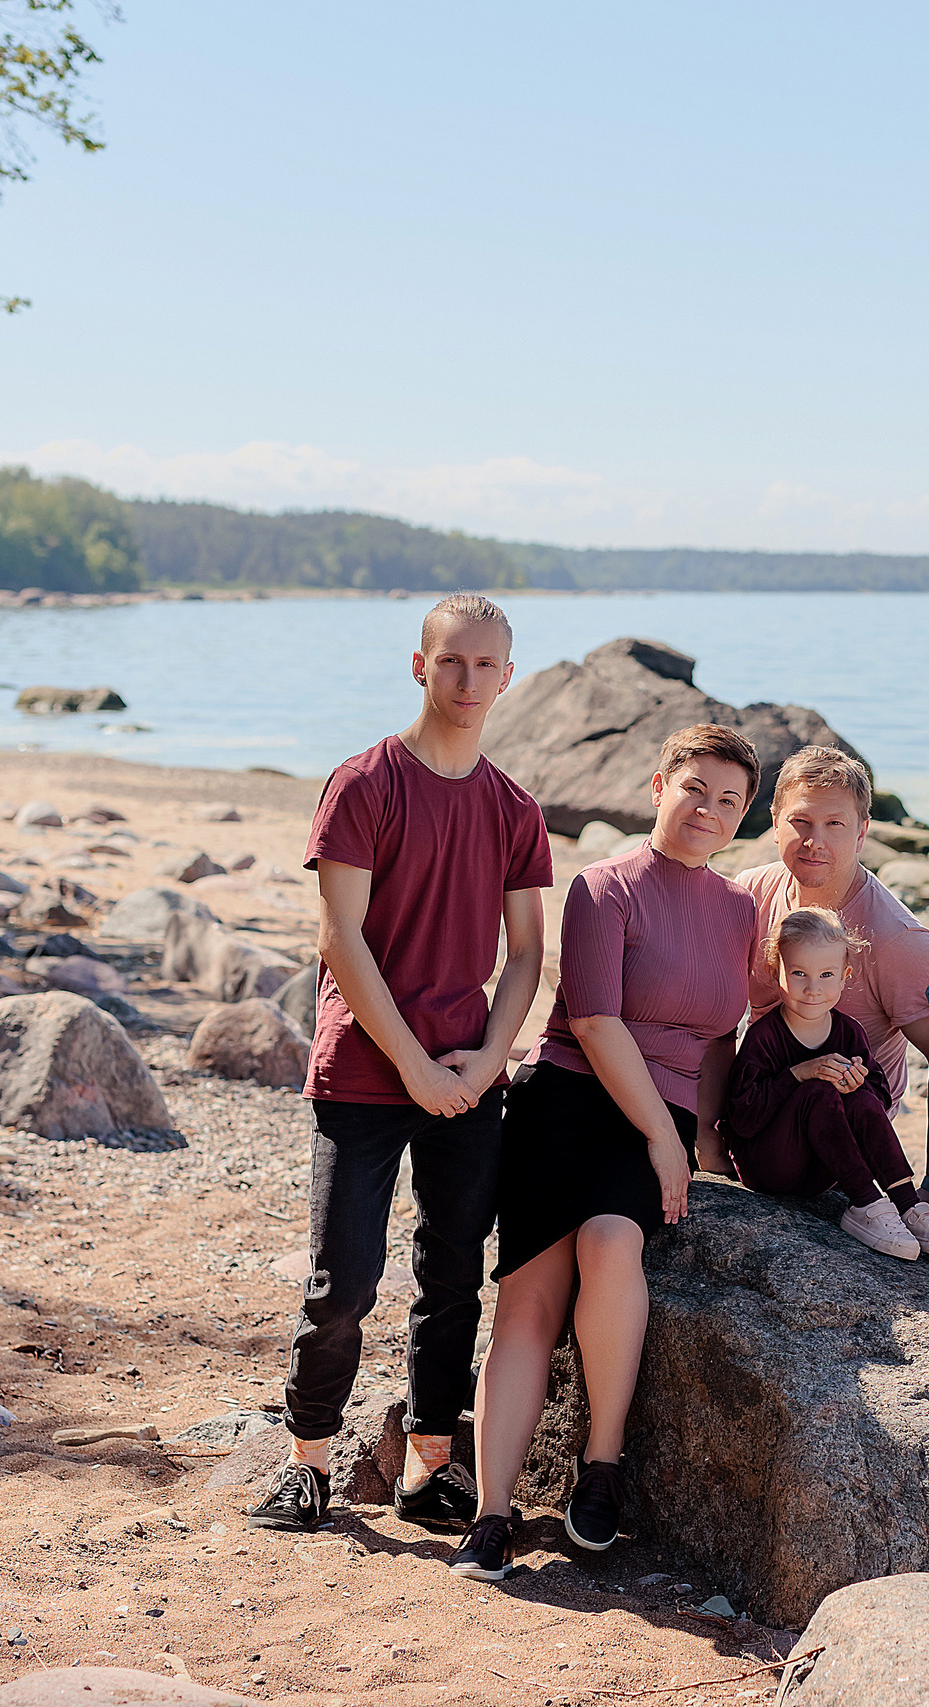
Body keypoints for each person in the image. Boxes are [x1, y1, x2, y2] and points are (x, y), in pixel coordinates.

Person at [247, 594, 552, 1538]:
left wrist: (484, 1061)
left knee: (455, 1275)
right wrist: (417, 1067)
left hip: (468, 1081)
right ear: (419, 667)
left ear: (510, 678)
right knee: (344, 1277)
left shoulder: (514, 809)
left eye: (486, 666)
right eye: (451, 662)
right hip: (365, 1073)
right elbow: (340, 940)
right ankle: (308, 1462)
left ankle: (430, 1465)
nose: (468, 681)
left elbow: (529, 956)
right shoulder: (365, 783)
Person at [454, 724, 762, 1580]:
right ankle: (492, 1517)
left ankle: (603, 1464)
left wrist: (712, 1142)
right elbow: (592, 1020)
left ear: (744, 816)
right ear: (657, 784)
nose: (708, 808)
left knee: (612, 1240)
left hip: (657, 1111)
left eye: (729, 799)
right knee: (526, 1302)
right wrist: (671, 1142)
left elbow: (721, 1043)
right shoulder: (603, 885)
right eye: (694, 787)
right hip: (569, 1097)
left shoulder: (741, 909)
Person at [736, 746, 929, 1220]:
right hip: (763, 1128)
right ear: (774, 821)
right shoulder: (750, 895)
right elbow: (710, 1021)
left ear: (862, 833)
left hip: (843, 1149)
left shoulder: (898, 939)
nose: (814, 841)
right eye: (800, 822)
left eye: (835, 825)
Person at [723, 906, 929, 1259]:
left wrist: (858, 1085)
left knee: (862, 1097)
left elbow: (878, 1103)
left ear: (844, 975)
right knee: (819, 1091)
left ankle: (908, 1205)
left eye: (826, 975)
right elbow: (741, 1117)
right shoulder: (765, 1037)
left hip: (824, 1172)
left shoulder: (848, 1032)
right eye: (798, 973)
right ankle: (865, 1204)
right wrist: (798, 1074)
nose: (812, 988)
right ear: (776, 971)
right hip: (771, 1167)